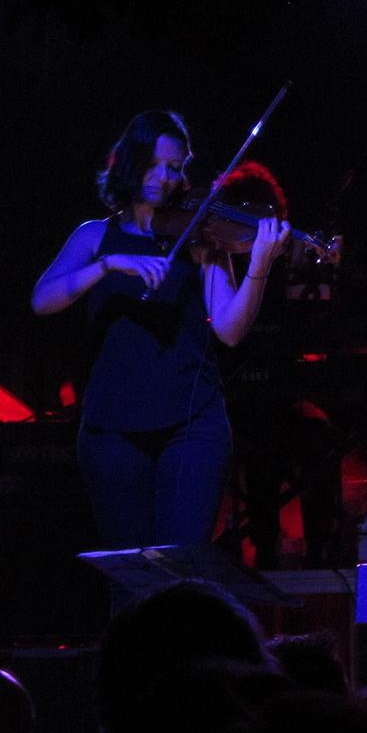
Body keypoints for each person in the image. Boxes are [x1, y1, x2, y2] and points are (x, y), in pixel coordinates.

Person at [31, 110, 290, 549]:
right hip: (111, 430)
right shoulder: (94, 237)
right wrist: (109, 265)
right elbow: (43, 300)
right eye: (153, 164)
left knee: (181, 566)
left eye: (174, 167)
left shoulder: (199, 239)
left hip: (191, 425)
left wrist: (259, 266)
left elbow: (229, 330)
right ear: (130, 162)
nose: (164, 177)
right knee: (128, 574)